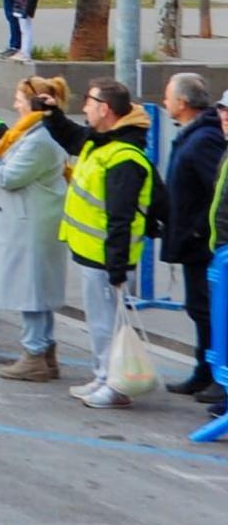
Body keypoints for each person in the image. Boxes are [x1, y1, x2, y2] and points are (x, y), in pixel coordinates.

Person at [38, 80, 159, 408]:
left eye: (89, 102)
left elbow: (120, 218)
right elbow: (74, 137)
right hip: (93, 253)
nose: (86, 107)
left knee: (108, 325)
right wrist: (52, 115)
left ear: (105, 109)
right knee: (100, 323)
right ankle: (103, 375)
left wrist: (117, 266)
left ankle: (115, 385)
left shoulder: (123, 157)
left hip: (108, 259)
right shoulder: (103, 141)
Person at [0, 76, 73, 381]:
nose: (14, 104)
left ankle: (35, 353)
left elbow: (8, 176)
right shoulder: (34, 133)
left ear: (33, 103)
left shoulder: (40, 139)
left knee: (31, 292)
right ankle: (44, 351)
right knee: (37, 291)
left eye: (18, 98)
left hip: (32, 226)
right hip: (32, 222)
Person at [161, 72, 227, 403]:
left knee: (208, 310)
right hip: (193, 240)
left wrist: (200, 229)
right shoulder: (195, 133)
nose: (164, 102)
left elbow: (217, 190)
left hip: (202, 244)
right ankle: (204, 371)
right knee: (199, 308)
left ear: (183, 103)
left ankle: (215, 375)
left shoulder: (205, 139)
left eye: (168, 96)